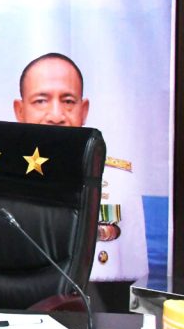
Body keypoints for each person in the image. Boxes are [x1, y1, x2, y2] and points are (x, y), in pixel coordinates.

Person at [14, 53, 148, 283]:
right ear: (20, 110)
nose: (56, 116)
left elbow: (136, 282)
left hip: (95, 303)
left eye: (68, 101)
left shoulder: (121, 184)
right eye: (41, 101)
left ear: (83, 110)